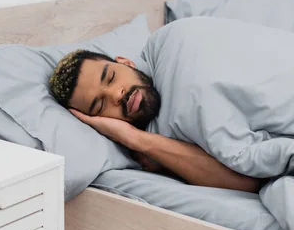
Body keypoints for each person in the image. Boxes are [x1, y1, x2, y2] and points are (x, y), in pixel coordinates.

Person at [49, 49, 262, 193]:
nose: (116, 95)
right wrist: (135, 139)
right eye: (100, 105)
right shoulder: (147, 150)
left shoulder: (177, 59)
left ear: (125, 62)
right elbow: (247, 179)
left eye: (112, 77)